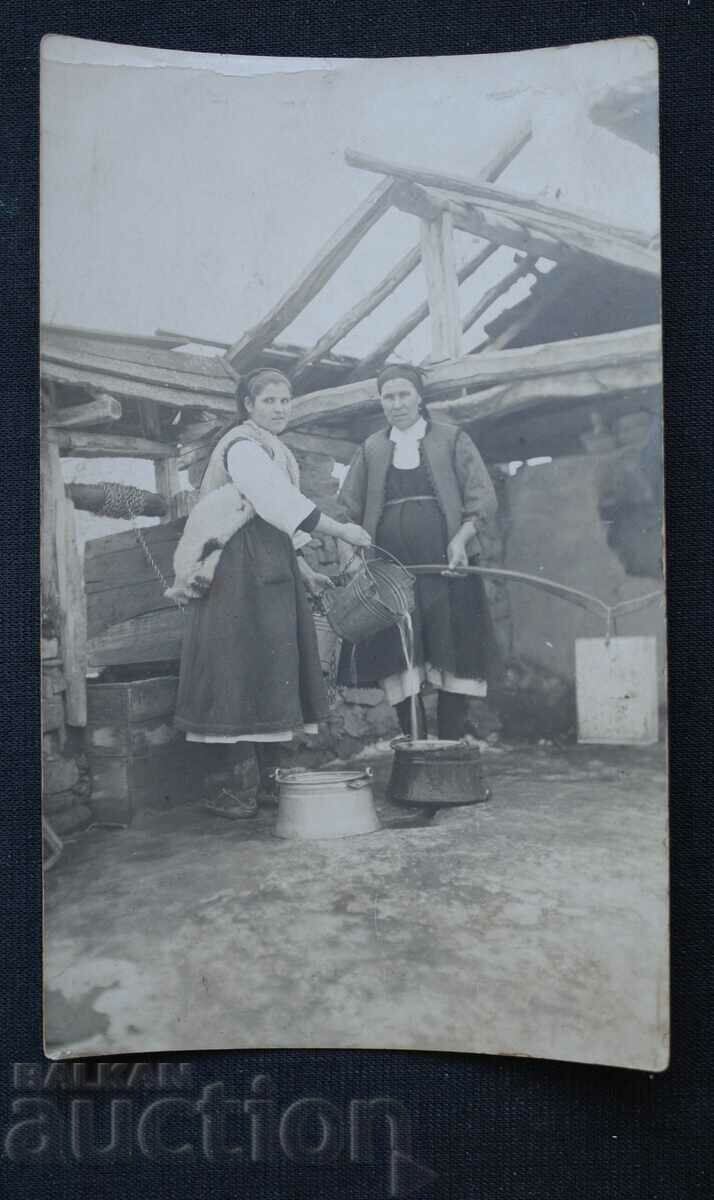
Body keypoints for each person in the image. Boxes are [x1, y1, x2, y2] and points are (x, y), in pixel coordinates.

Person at [174, 368, 371, 815]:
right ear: (248, 405)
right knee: (237, 667)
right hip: (234, 570)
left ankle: (267, 785)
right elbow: (276, 503)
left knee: (269, 666)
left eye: (286, 400)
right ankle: (240, 789)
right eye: (269, 401)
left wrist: (301, 567)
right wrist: (341, 529)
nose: (280, 408)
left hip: (266, 566)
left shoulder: (274, 448)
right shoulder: (242, 447)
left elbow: (276, 522)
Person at [336, 364, 499, 741]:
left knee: (453, 655)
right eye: (388, 397)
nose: (396, 404)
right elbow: (346, 511)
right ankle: (416, 753)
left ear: (420, 397)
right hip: (393, 579)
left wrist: (460, 540)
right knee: (401, 660)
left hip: (449, 571)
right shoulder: (372, 449)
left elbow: (482, 499)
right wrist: (353, 557)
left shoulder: (452, 439)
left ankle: (449, 751)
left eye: (403, 394)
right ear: (380, 401)